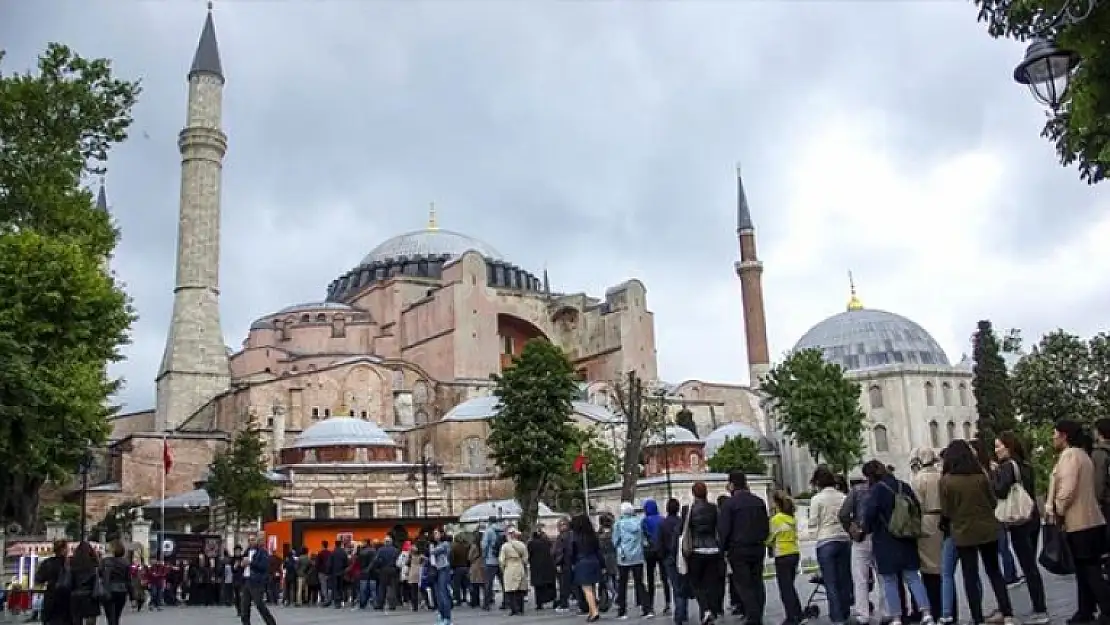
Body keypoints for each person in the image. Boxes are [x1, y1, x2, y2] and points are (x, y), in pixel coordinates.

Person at [940, 439, 1014, 625]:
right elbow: (993, 502)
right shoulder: (980, 476)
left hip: (963, 532)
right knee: (994, 571)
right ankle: (1007, 611)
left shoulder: (947, 481)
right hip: (987, 530)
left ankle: (977, 617)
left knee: (970, 576)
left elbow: (947, 511)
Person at [1049, 420, 1110, 623]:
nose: (1053, 437)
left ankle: (1106, 608)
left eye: (1055, 433)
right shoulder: (1083, 454)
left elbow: (1067, 489)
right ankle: (1085, 610)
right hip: (1091, 519)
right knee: (1085, 569)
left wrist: (1057, 508)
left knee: (1089, 569)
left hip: (1079, 522)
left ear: (1064, 435)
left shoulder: (1070, 456)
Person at [861, 459, 934, 625]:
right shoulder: (903, 485)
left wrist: (865, 528)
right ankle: (926, 613)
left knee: (889, 581)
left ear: (870, 476)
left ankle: (896, 617)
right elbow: (916, 508)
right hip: (907, 538)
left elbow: (869, 515)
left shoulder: (876, 490)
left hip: (885, 540)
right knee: (913, 577)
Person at [992, 432, 1048, 625]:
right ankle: (1040, 606)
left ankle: (1040, 609)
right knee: (1031, 567)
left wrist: (995, 474)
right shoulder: (1026, 465)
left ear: (1008, 447)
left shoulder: (1007, 466)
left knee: (1028, 567)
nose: (996, 450)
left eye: (999, 446)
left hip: (1019, 522)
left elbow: (1000, 491)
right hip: (1031, 517)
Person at [720, 471, 770, 625]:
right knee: (757, 582)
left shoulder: (729, 504)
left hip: (738, 549)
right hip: (757, 547)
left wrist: (723, 548)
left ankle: (753, 616)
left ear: (732, 485)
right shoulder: (759, 501)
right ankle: (758, 614)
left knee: (744, 584)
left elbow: (724, 530)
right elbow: (765, 526)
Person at [810, 466, 852, 625]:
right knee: (844, 579)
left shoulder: (817, 499)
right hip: (843, 539)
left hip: (826, 540)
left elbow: (813, 522)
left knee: (830, 581)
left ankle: (837, 617)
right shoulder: (843, 497)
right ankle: (845, 610)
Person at [840, 478, 883, 623]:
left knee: (860, 578)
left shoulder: (856, 491)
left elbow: (843, 514)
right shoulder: (883, 489)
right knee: (884, 576)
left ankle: (862, 614)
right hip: (881, 537)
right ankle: (888, 611)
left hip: (861, 536)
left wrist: (851, 530)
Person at [911, 447, 944, 619]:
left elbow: (915, 506)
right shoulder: (941, 476)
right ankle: (948, 608)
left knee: (928, 570)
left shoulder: (918, 480)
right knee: (943, 569)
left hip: (925, 521)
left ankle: (933, 608)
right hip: (942, 522)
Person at [768, 491, 803, 625]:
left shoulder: (776, 519)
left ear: (777, 503)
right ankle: (798, 613)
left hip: (782, 554)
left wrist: (765, 543)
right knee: (790, 586)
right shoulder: (792, 518)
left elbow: (771, 538)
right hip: (794, 552)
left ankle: (791, 617)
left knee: (785, 588)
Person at [612, 501, 650, 618]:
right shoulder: (638, 522)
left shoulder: (619, 524)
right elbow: (643, 538)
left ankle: (622, 610)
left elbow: (615, 541)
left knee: (622, 584)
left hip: (623, 557)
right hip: (638, 556)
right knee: (639, 582)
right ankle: (646, 608)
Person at [659, 497, 689, 625]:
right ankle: (684, 612)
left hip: (669, 558)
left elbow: (659, 542)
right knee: (683, 585)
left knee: (676, 587)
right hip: (682, 557)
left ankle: (679, 615)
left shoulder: (663, 523)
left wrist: (663, 556)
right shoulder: (681, 523)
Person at [570, 514, 603, 621]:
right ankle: (591, 610)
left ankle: (594, 612)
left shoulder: (575, 537)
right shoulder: (593, 536)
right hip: (594, 561)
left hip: (582, 562)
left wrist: (572, 563)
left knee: (586, 589)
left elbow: (572, 552)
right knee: (592, 587)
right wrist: (603, 565)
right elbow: (599, 551)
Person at [641, 499, 672, 616]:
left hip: (650, 551)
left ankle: (651, 606)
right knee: (665, 578)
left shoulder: (644, 521)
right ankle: (668, 602)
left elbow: (643, 536)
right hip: (661, 551)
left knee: (650, 579)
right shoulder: (662, 519)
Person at [240, 535, 278, 625]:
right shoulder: (246, 552)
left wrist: (251, 563)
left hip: (256, 582)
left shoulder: (262, 552)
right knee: (244, 606)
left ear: (257, 540)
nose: (250, 542)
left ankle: (271, 623)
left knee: (259, 605)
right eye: (249, 540)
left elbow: (264, 566)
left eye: (253, 540)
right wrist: (241, 565)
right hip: (246, 580)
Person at [33, 540, 69, 625]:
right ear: (63, 549)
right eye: (66, 548)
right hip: (66, 599)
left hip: (51, 597)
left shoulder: (47, 563)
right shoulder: (69, 563)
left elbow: (38, 579)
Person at [68, 541, 102, 625]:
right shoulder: (94, 565)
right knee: (91, 619)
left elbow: (69, 581)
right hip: (90, 595)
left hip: (75, 595)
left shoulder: (72, 564)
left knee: (76, 619)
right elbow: (97, 581)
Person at [498, 527, 530, 615]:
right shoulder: (522, 545)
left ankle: (514, 609)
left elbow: (501, 560)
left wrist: (503, 568)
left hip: (510, 567)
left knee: (511, 590)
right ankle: (521, 609)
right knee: (520, 589)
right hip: (519, 566)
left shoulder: (505, 546)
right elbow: (526, 558)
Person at [102, 541, 132, 625]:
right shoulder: (126, 562)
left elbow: (100, 573)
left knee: (110, 616)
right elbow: (128, 580)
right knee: (117, 615)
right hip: (122, 590)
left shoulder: (105, 561)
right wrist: (132, 596)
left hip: (108, 589)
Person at [526, 530, 557, 609]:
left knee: (538, 587)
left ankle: (539, 603)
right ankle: (553, 600)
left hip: (536, 567)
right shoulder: (548, 542)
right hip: (548, 566)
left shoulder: (531, 543)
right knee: (550, 585)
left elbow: (528, 555)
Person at [430, 529, 453, 625]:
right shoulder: (438, 544)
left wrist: (431, 548)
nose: (435, 535)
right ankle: (442, 616)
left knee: (443, 594)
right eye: (434, 533)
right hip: (438, 569)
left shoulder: (445, 544)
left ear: (442, 534)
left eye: (436, 533)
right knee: (439, 595)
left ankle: (447, 618)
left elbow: (434, 552)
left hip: (444, 568)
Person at [480, 518, 504, 610]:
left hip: (490, 560)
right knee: (504, 583)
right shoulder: (502, 530)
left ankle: (486, 604)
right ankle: (506, 602)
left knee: (488, 583)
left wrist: (484, 557)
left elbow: (484, 546)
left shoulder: (488, 531)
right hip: (501, 560)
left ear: (489, 522)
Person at [467, 533, 485, 608]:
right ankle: (486, 601)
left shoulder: (473, 546)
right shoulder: (483, 545)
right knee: (483, 585)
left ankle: (474, 602)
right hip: (482, 566)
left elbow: (469, 557)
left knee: (474, 585)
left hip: (475, 566)